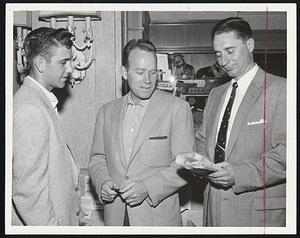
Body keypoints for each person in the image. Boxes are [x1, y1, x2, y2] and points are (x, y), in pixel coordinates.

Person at [88, 39, 195, 226]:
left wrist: (146, 188)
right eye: (140, 72)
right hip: (116, 218)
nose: (147, 80)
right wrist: (103, 182)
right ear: (124, 72)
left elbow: (186, 167)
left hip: (158, 220)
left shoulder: (177, 108)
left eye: (153, 72)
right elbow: (98, 158)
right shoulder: (106, 112)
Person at [195, 17, 286, 226]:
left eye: (229, 51)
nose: (223, 61)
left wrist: (239, 174)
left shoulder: (282, 90)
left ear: (250, 45)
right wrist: (198, 162)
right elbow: (202, 138)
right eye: (218, 54)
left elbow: (287, 153)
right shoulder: (216, 94)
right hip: (214, 210)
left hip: (257, 214)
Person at [13, 27, 81, 225]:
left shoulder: (39, 101)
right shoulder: (30, 109)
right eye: (63, 62)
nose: (70, 69)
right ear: (40, 64)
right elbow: (29, 192)